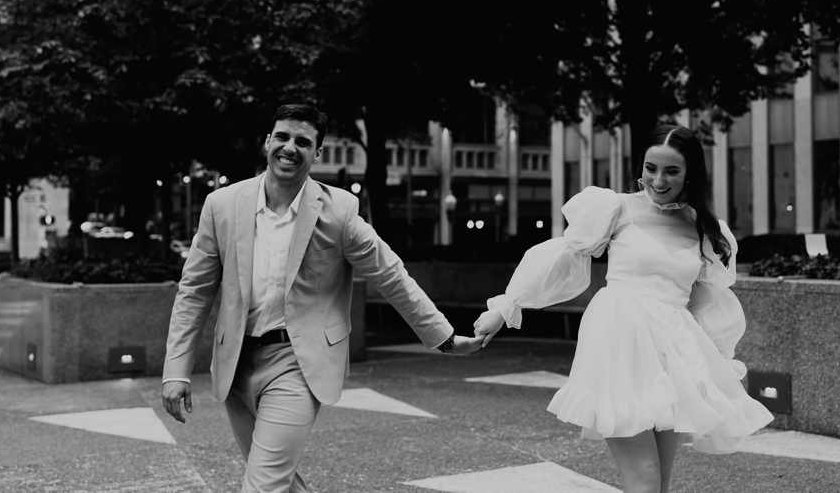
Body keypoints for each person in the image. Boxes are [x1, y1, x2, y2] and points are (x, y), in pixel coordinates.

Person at [161, 104, 483, 493]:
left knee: (262, 486)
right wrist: (176, 370)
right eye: (282, 136)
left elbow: (390, 274)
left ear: (318, 154)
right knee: (279, 481)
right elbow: (194, 290)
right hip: (236, 363)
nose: (289, 147)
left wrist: (444, 337)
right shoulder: (223, 205)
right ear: (267, 142)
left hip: (298, 363)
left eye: (303, 141)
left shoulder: (340, 211)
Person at [473, 124, 774, 493]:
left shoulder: (707, 231)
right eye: (651, 168)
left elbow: (707, 304)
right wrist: (506, 307)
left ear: (691, 173)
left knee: (658, 485)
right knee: (644, 483)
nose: (658, 180)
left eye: (672, 171)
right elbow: (560, 259)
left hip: (672, 355)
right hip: (620, 342)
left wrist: (716, 365)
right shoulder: (616, 208)